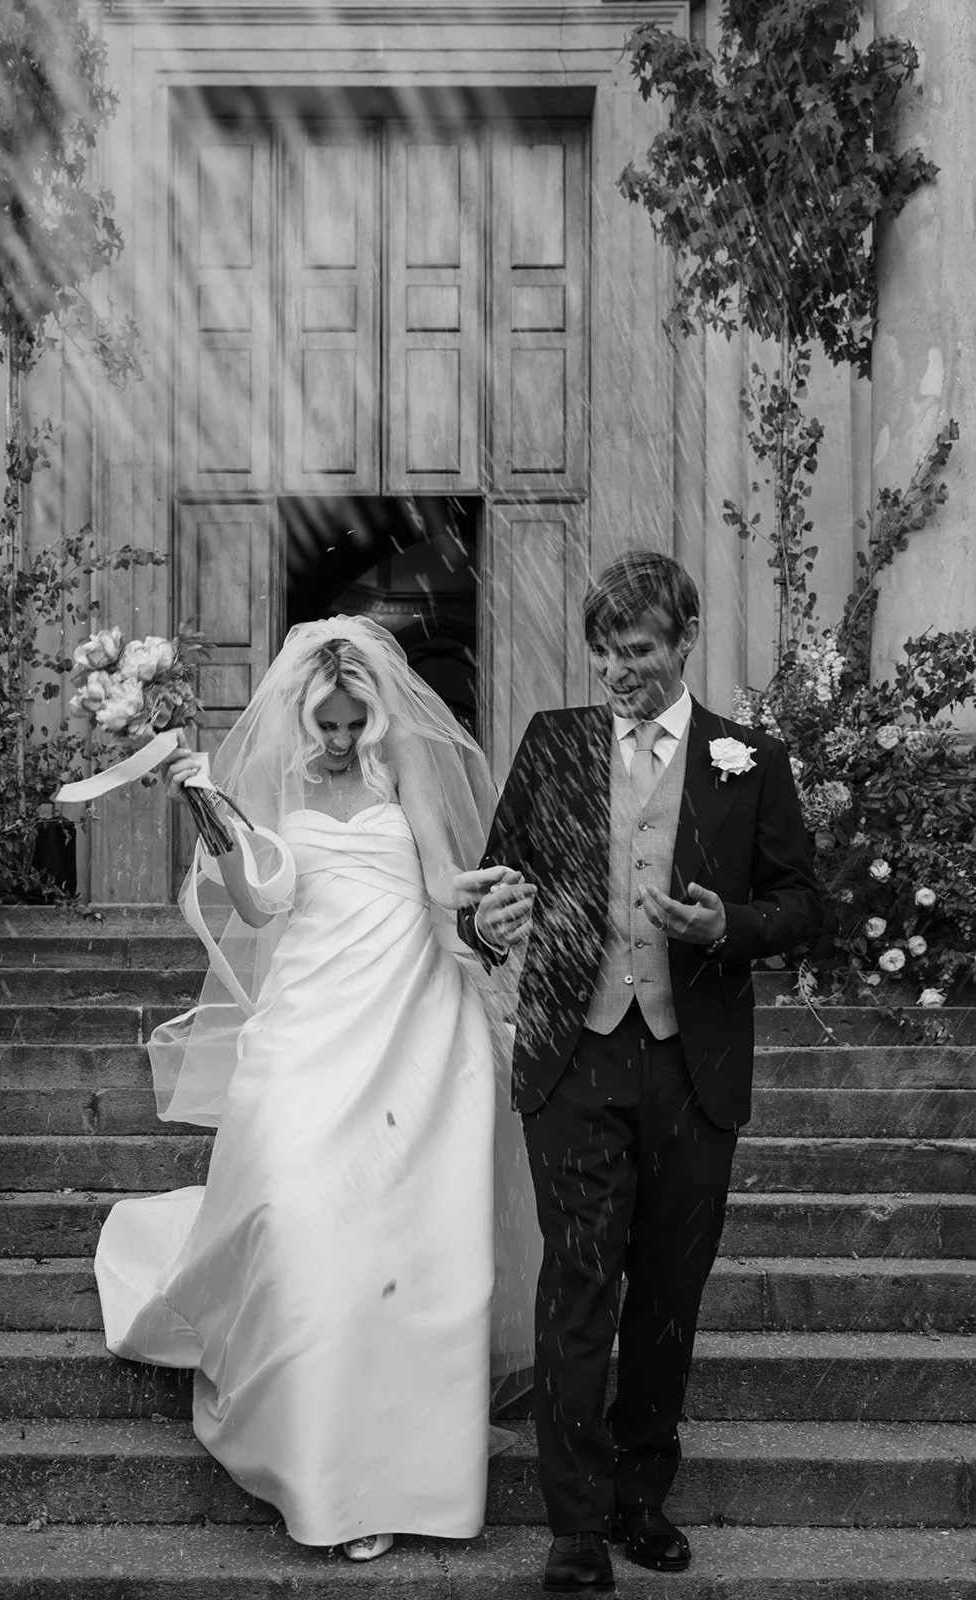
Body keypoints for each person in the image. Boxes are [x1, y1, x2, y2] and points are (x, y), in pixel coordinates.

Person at [93, 616, 539, 1560]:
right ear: (302, 716)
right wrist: (209, 814)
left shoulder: (399, 763)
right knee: (300, 1223)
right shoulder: (278, 779)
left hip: (411, 1012)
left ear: (374, 716)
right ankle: (321, 1467)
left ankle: (410, 1481)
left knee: (416, 1251)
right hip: (308, 1017)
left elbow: (434, 876)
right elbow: (262, 904)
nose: (339, 741)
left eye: (352, 725)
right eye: (327, 726)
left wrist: (476, 897)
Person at [459, 551, 824, 1594]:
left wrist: (729, 924)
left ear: (682, 640)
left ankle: (638, 1496)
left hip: (690, 1066)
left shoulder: (746, 762)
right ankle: (574, 1526)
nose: (617, 671)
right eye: (604, 653)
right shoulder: (552, 742)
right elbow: (494, 883)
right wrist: (481, 919)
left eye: (637, 652)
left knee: (665, 1292)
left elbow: (805, 904)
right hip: (572, 1056)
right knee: (578, 1286)